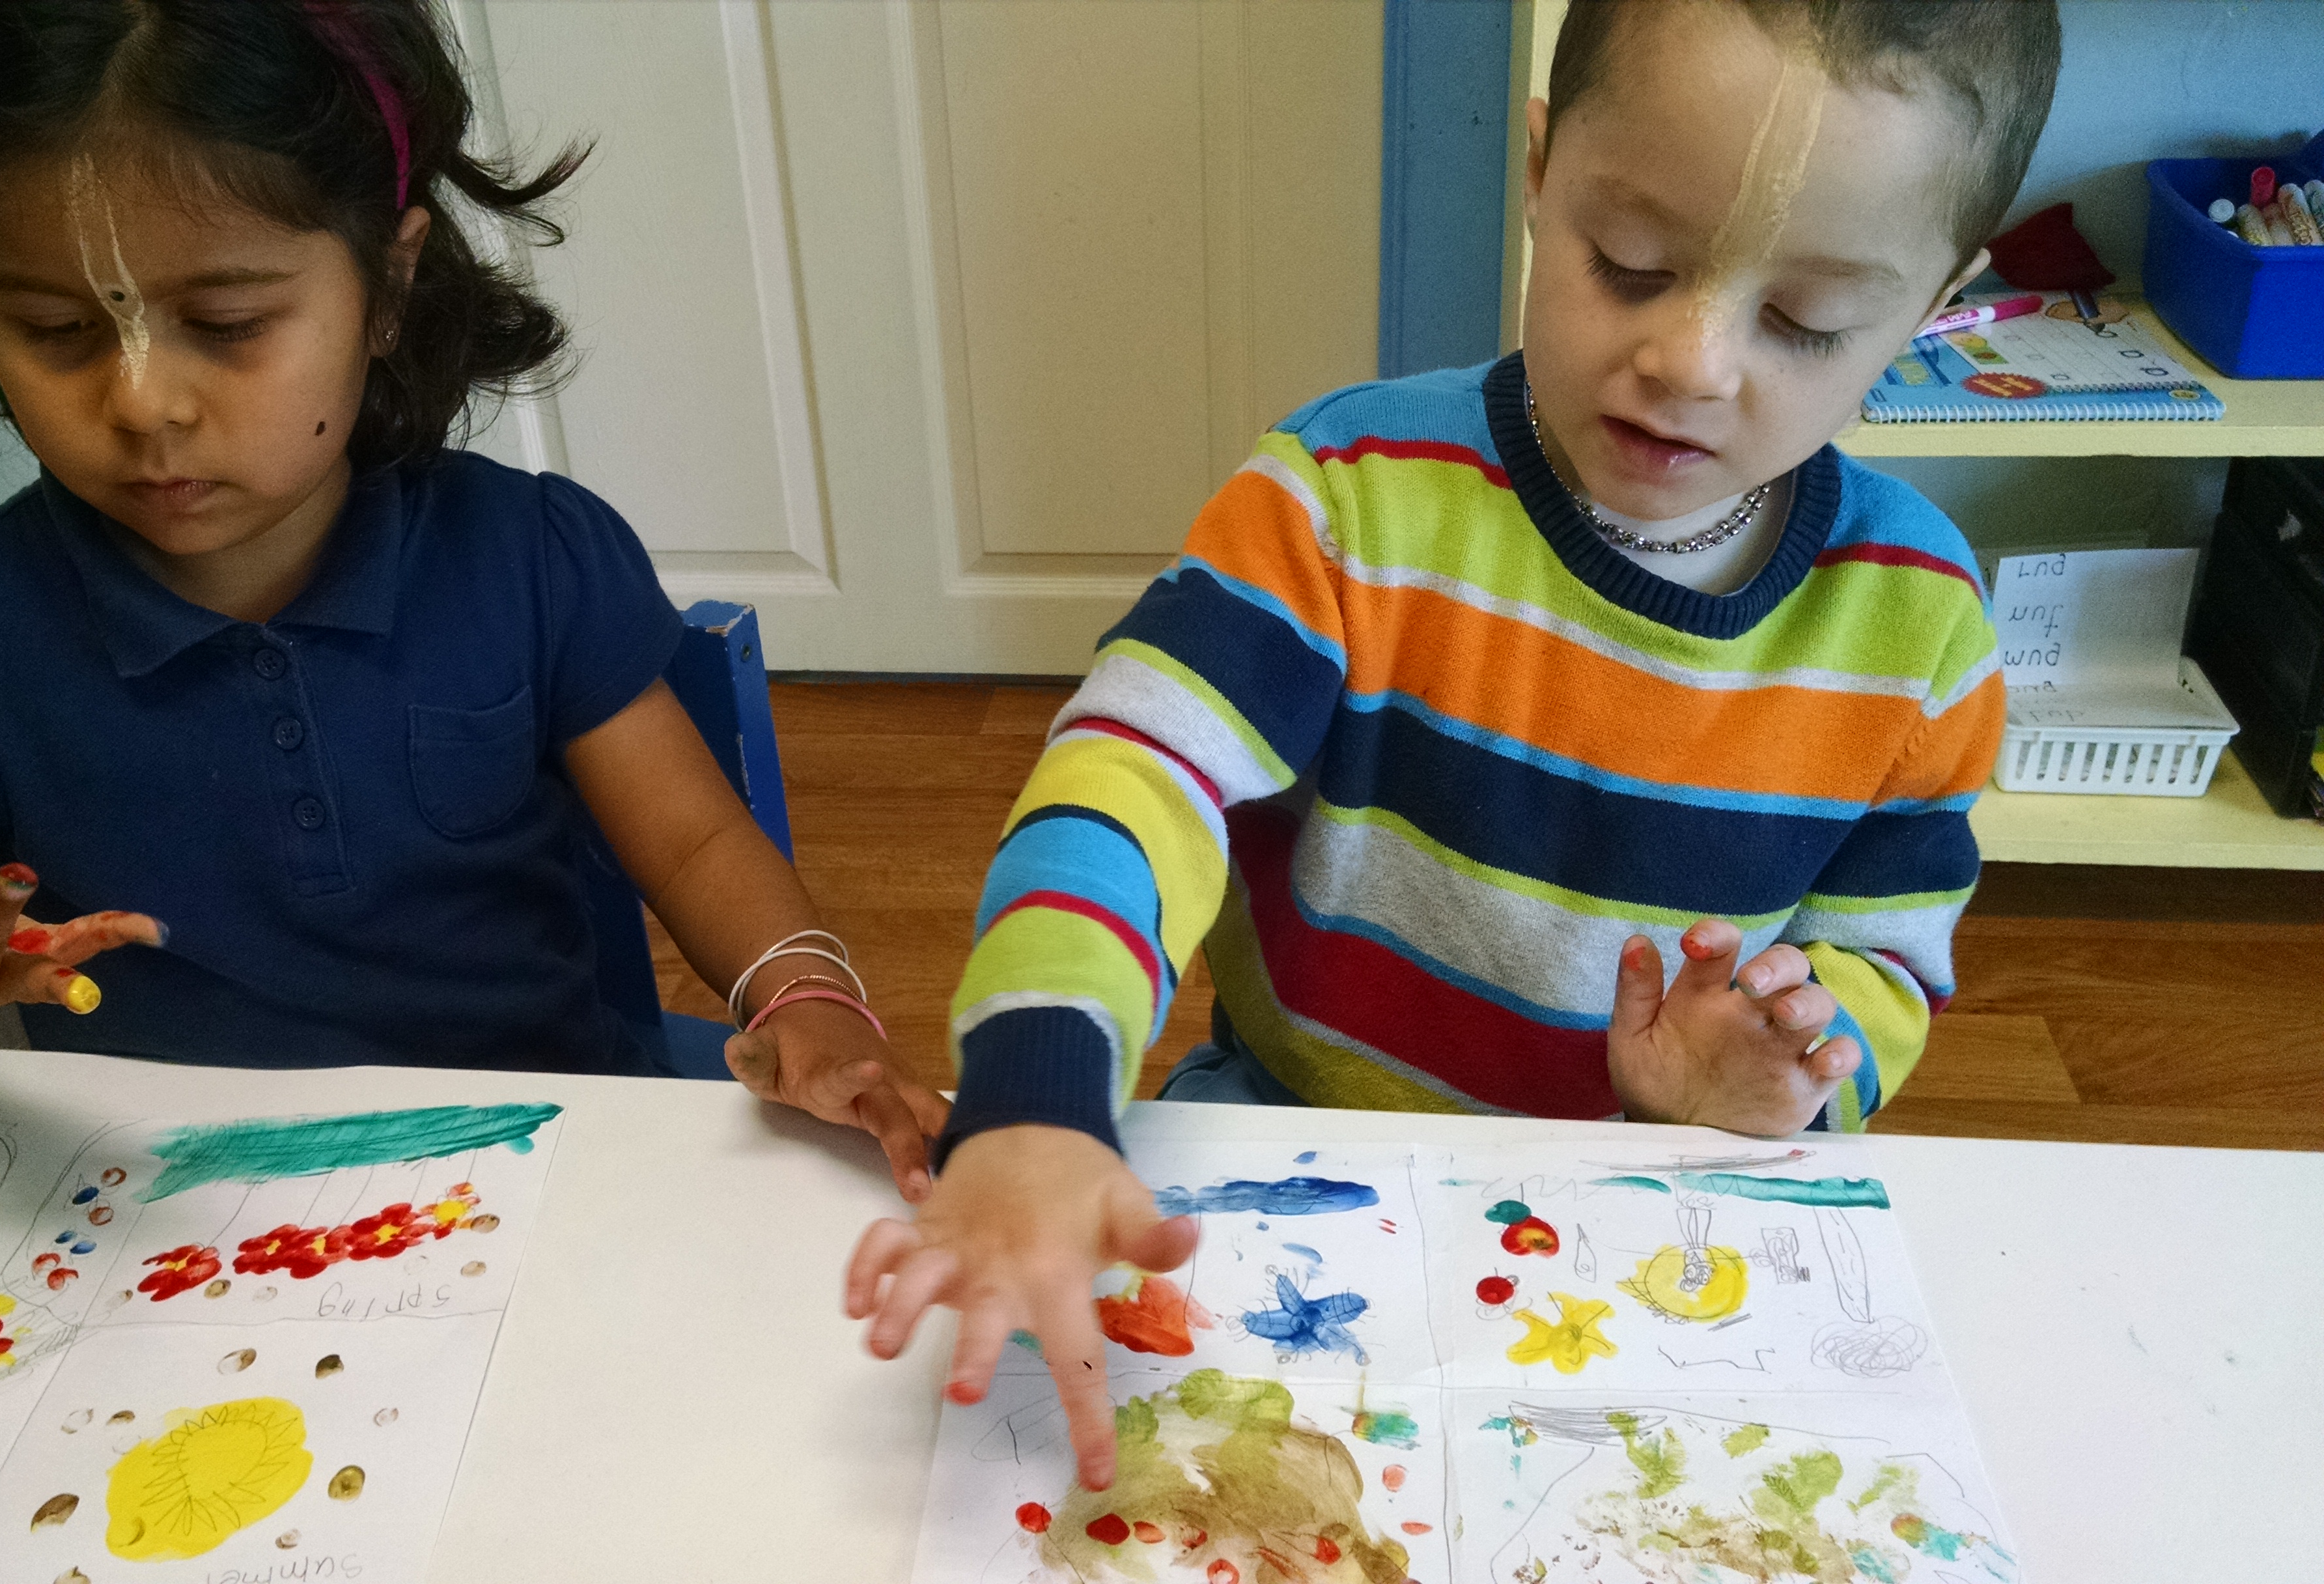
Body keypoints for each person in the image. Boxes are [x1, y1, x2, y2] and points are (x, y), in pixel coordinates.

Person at [848, 0, 2053, 1488]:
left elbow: (1886, 962)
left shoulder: (1922, 629)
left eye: (1804, 322)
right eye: (1632, 263)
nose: (1691, 360)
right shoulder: (1346, 494)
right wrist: (1038, 1085)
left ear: (1935, 301)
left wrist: (1787, 1074)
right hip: (1290, 1143)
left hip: (1647, 1195)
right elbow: (1134, 770)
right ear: (1541, 174)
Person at [0, 0, 945, 1202]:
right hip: (176, 1218)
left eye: (228, 324)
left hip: (544, 1169)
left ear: (389, 284)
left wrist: (808, 999)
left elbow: (696, 843)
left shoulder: (525, 558)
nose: (144, 404)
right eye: (55, 329)